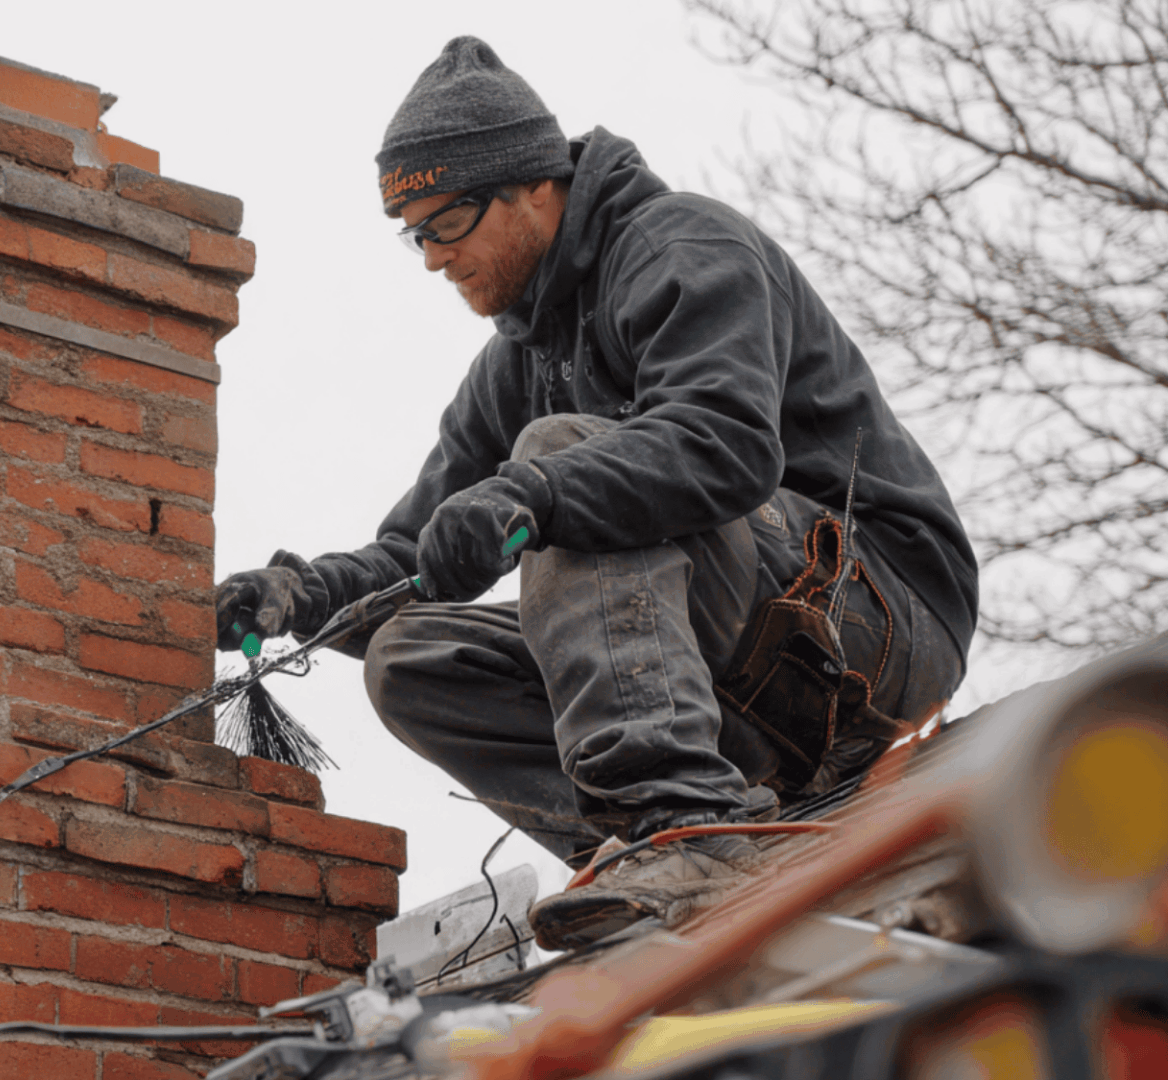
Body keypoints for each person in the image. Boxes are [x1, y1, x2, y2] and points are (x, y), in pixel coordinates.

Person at [213, 37, 977, 950]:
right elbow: (428, 550)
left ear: (535, 185)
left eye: (445, 221)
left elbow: (725, 445)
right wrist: (312, 593)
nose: (430, 258)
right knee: (414, 656)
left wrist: (536, 492)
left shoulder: (684, 246)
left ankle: (690, 829)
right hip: (749, 670)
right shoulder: (513, 367)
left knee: (566, 464)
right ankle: (649, 846)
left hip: (879, 621)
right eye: (412, 232)